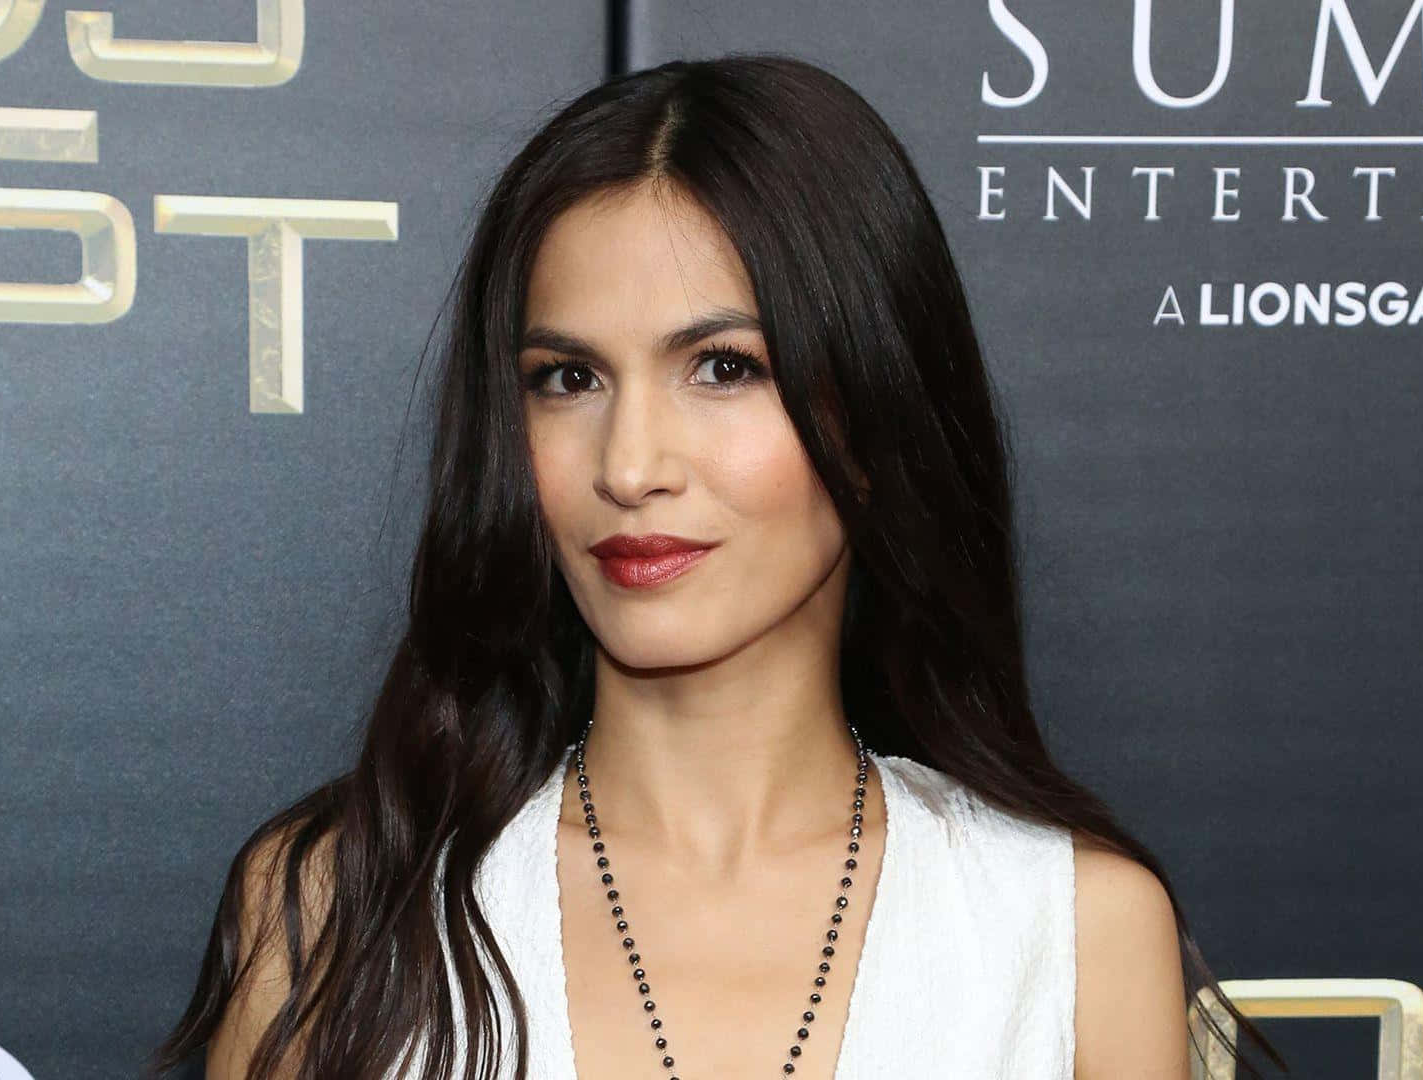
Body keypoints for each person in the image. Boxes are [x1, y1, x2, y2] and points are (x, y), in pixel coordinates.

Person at [148, 54, 1285, 1080]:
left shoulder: (1069, 927)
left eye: (725, 367)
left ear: (876, 409)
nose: (631, 465)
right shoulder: (335, 909)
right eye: (569, 379)